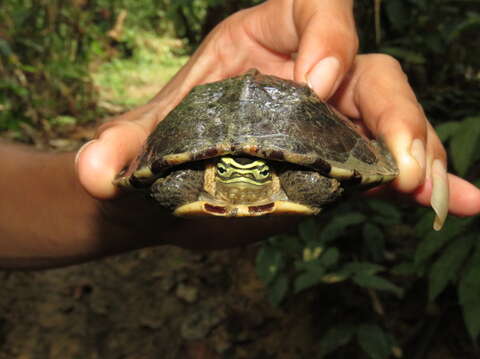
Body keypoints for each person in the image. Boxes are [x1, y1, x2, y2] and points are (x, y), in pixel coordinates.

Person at [1, 0, 479, 269]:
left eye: (250, 166)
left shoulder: (299, 179)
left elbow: (328, 178)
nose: (238, 170)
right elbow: (156, 184)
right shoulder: (184, 181)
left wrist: (354, 166)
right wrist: (138, 203)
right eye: (229, 166)